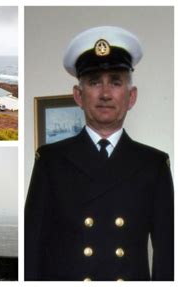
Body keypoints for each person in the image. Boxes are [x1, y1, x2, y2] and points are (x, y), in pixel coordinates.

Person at [24, 26, 173, 281]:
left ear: (131, 97)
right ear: (79, 96)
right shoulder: (50, 161)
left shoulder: (154, 165)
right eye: (94, 82)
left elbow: (168, 258)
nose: (105, 94)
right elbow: (31, 252)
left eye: (116, 82)